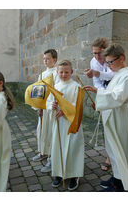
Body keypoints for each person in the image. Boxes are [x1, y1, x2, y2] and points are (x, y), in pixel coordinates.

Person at [83, 44, 128, 192]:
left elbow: (118, 97)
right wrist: (98, 95)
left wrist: (99, 93)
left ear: (122, 58)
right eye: (106, 63)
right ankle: (116, 177)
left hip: (121, 117)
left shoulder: (127, 76)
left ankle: (120, 185)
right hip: (113, 115)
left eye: (111, 62)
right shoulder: (118, 74)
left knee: (120, 149)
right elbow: (111, 92)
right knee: (113, 149)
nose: (108, 66)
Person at [47, 60, 84, 191]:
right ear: (57, 72)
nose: (64, 74)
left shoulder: (76, 86)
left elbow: (77, 105)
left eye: (66, 72)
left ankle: (74, 175)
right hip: (58, 123)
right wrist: (51, 106)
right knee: (58, 147)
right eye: (61, 72)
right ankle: (58, 172)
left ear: (71, 72)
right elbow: (49, 101)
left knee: (72, 148)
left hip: (71, 122)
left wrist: (65, 111)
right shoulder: (55, 86)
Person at [84, 38, 115, 172]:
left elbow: (112, 75)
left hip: (116, 96)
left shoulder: (112, 60)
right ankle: (109, 158)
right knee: (107, 128)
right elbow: (97, 82)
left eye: (99, 53)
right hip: (104, 96)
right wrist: (99, 99)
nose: (97, 56)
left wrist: (96, 73)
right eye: (94, 53)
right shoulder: (93, 62)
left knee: (119, 130)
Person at [32, 49, 60, 173]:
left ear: (54, 59)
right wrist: (38, 107)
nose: (45, 61)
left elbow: (58, 91)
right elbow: (39, 91)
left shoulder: (58, 73)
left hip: (52, 107)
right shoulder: (42, 74)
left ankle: (51, 158)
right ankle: (42, 151)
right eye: (44, 59)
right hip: (44, 108)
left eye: (48, 59)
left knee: (51, 133)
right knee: (41, 130)